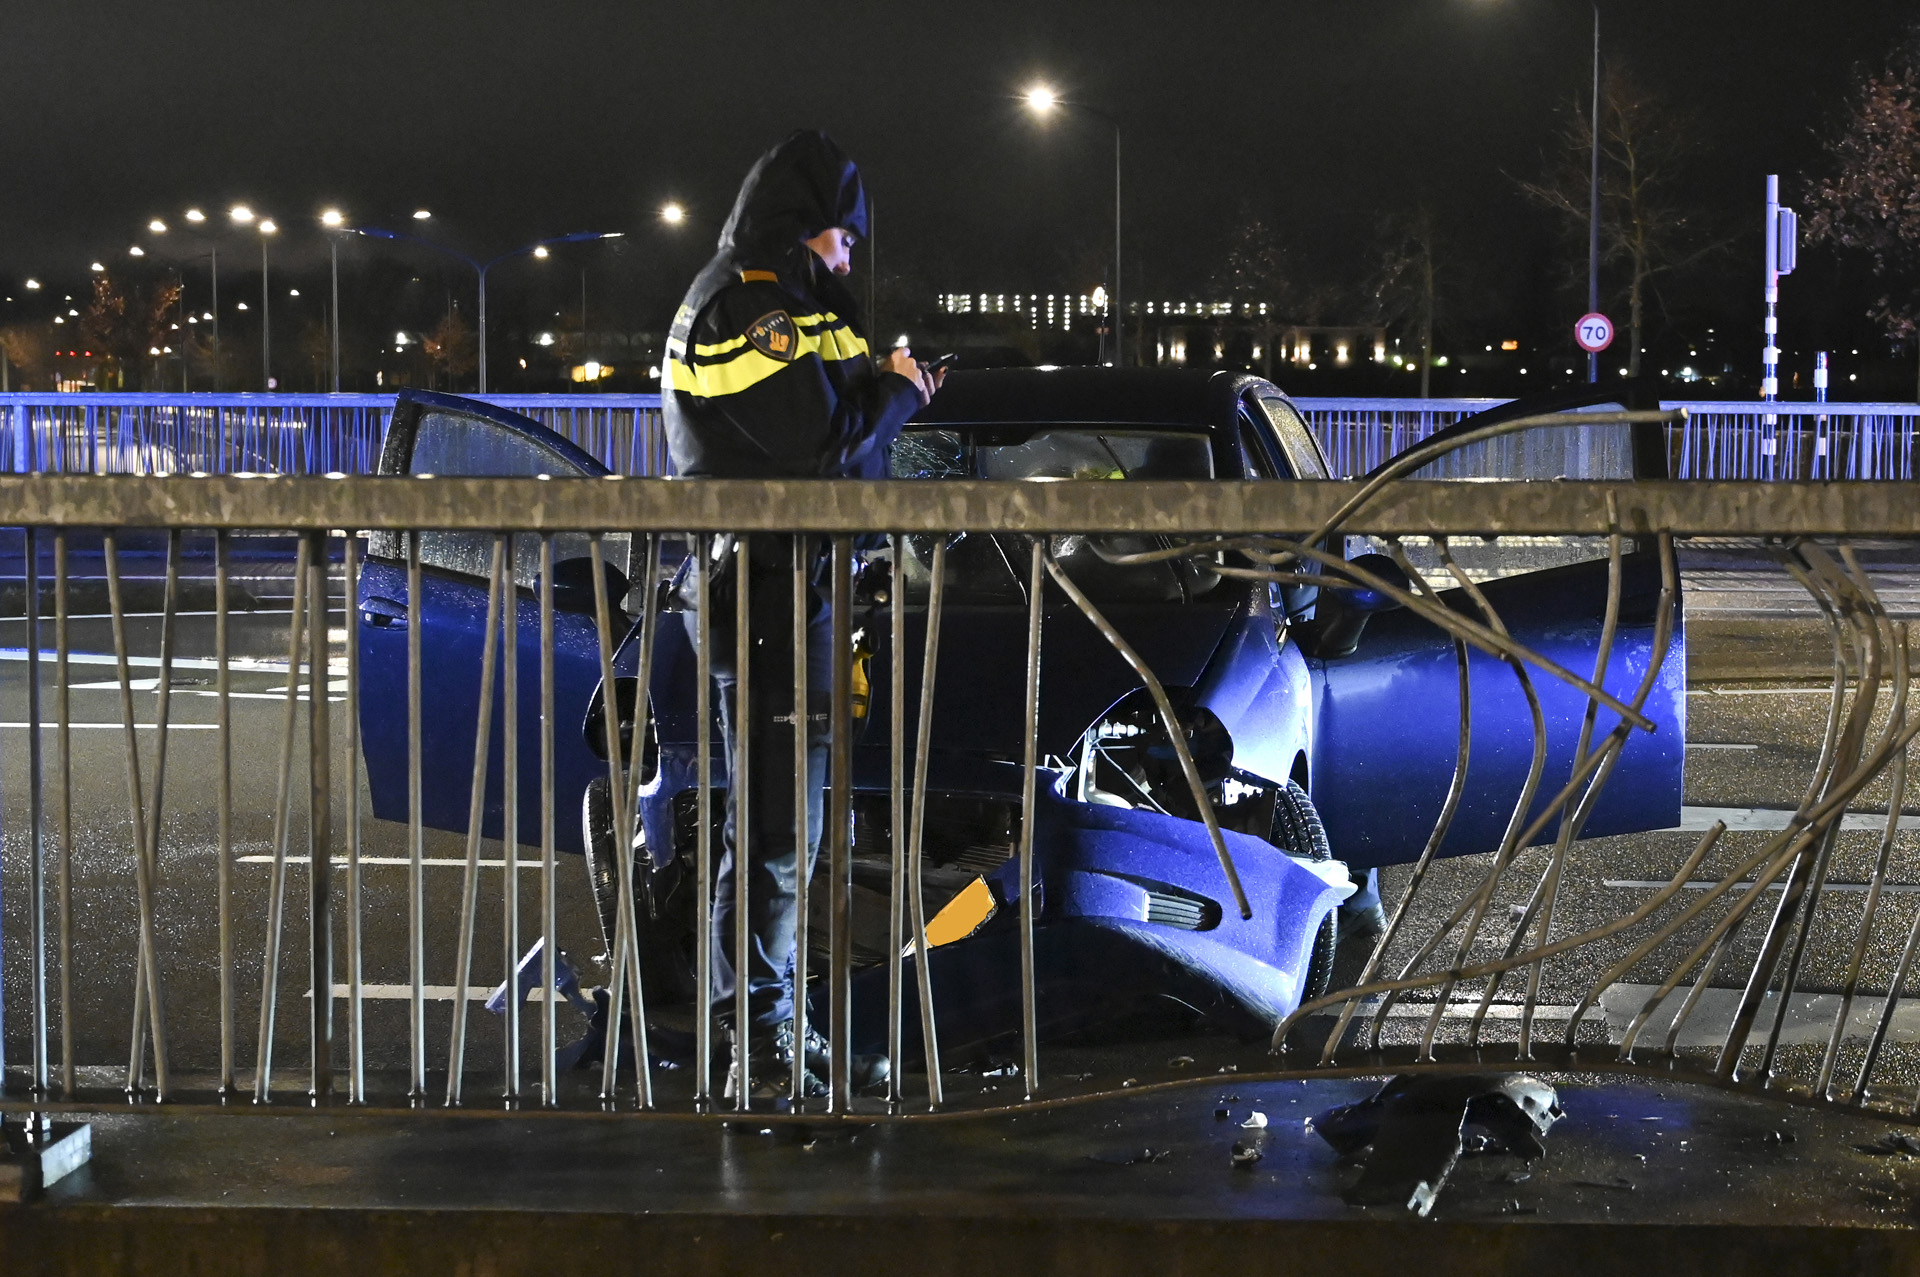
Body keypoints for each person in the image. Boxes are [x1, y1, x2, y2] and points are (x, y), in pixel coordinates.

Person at [661, 130, 941, 1098]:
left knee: (795, 835)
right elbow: (823, 450)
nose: (853, 258)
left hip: (800, 597)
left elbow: (839, 431)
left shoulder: (794, 301)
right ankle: (759, 1042)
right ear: (805, 227)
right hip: (766, 595)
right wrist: (896, 400)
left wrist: (888, 386)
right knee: (776, 837)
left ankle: (778, 1022)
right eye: (844, 239)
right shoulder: (746, 305)